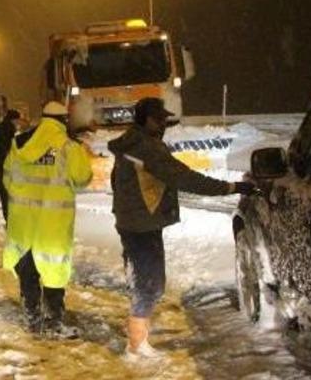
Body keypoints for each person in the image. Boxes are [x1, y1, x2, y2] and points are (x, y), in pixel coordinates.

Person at [108, 97, 256, 359]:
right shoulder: (146, 147)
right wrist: (231, 187)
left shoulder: (131, 143)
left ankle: (137, 331)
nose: (164, 124)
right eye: (159, 119)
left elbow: (116, 181)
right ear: (144, 119)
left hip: (134, 221)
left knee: (143, 280)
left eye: (165, 119)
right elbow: (183, 177)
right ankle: (136, 343)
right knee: (151, 285)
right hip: (141, 225)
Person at [3, 101, 92, 337]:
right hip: (52, 225)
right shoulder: (67, 146)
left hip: (23, 223)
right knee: (53, 272)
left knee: (27, 270)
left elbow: (7, 178)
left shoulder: (19, 143)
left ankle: (33, 319)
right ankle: (53, 323)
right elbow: (83, 178)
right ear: (63, 120)